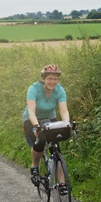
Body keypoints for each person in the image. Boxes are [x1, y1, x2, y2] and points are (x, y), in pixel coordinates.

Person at [22, 64, 70, 192]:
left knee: (56, 149)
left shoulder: (60, 90)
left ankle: (62, 183)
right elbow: (31, 111)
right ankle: (35, 167)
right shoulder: (34, 89)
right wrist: (37, 126)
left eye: (55, 79)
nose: (52, 82)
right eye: (49, 78)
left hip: (50, 118)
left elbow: (64, 110)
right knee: (40, 140)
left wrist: (67, 123)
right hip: (31, 119)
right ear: (43, 78)